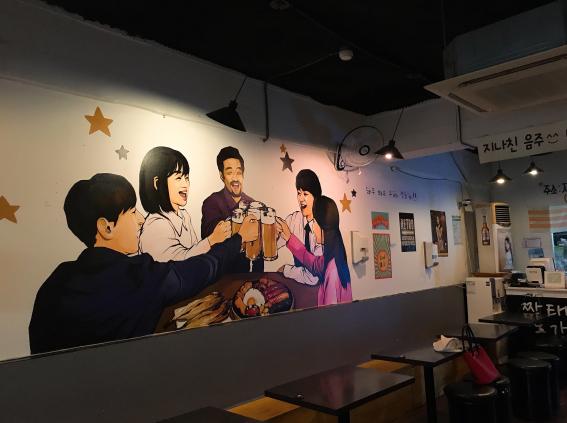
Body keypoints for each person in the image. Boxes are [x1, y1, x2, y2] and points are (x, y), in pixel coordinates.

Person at [28, 173, 258, 354]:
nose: (140, 220)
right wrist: (238, 239)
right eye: (131, 212)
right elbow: (199, 270)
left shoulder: (57, 280)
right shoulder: (137, 276)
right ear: (106, 227)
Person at [138, 146, 230, 262]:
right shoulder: (155, 225)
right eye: (178, 178)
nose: (186, 184)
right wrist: (211, 240)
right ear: (157, 183)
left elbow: (197, 255)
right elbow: (180, 262)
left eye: (186, 177)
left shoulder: (184, 216)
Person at [277, 195, 352, 306]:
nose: (312, 227)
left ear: (323, 226)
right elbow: (313, 263)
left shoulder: (332, 272)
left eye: (314, 222)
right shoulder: (333, 256)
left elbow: (330, 314)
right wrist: (289, 237)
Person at [201, 146, 262, 272]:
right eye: (229, 173)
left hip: (245, 277)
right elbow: (212, 245)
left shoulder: (252, 204)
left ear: (243, 174)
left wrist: (257, 278)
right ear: (222, 176)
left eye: (238, 172)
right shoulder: (211, 203)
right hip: (219, 277)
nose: (235, 178)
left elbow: (258, 250)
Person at [277, 169, 324, 285]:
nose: (301, 199)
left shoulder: (321, 228)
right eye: (299, 193)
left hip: (317, 290)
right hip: (296, 283)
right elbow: (273, 247)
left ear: (316, 197)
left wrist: (286, 270)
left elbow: (313, 278)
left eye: (305, 194)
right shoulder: (293, 219)